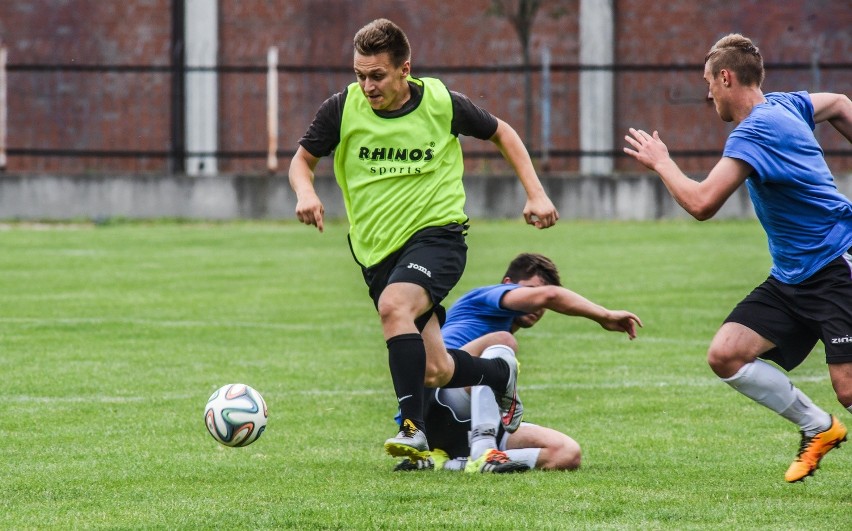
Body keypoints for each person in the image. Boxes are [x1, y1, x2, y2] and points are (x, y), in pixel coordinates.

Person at [288, 19, 559, 462]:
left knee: (394, 307)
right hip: (377, 252)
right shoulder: (341, 108)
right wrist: (306, 192)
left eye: (377, 75)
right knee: (435, 369)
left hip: (438, 236)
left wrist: (536, 193)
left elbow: (502, 132)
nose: (367, 86)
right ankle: (497, 373)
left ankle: (411, 429)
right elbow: (302, 161)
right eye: (360, 75)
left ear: (404, 69)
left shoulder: (439, 103)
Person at [623, 33, 852, 483]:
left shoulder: (757, 130)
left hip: (833, 266)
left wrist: (662, 162)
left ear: (726, 77)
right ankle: (817, 428)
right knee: (726, 354)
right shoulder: (787, 104)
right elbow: (842, 103)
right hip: (792, 276)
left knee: (847, 387)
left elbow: (703, 203)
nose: (708, 94)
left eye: (709, 82)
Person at [392, 253, 642, 473]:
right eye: (531, 291)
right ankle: (484, 450)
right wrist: (605, 315)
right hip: (431, 404)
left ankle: (448, 463)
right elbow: (551, 295)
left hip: (462, 423)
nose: (538, 304)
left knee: (566, 453)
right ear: (508, 285)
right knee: (503, 343)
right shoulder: (486, 296)